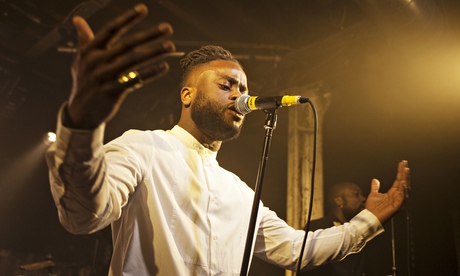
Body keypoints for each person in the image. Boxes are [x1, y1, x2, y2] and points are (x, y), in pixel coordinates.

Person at [45, 3, 411, 275]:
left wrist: (369, 221)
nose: (240, 96)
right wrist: (81, 124)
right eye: (226, 85)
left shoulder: (239, 192)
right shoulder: (144, 147)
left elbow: (297, 250)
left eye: (244, 88)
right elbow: (84, 216)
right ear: (187, 95)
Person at [300, 182, 368, 276]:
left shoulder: (357, 230)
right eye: (356, 194)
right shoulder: (316, 227)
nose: (363, 199)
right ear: (339, 201)